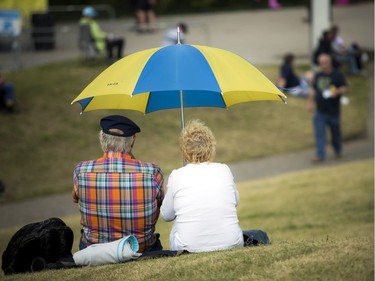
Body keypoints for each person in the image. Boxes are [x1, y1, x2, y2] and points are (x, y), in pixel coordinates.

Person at [72, 115, 164, 253]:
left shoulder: (81, 171)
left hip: (94, 248)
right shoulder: (152, 172)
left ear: (102, 139)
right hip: (140, 248)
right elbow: (160, 204)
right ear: (132, 141)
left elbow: (76, 199)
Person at [160, 119, 244, 252]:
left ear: (184, 150)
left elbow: (166, 215)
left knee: (178, 221)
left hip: (188, 248)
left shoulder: (177, 175)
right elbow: (235, 201)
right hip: (233, 242)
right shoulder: (224, 169)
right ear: (211, 146)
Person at [307, 54, 348, 163]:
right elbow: (313, 90)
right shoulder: (318, 75)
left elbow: (344, 87)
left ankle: (338, 150)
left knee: (335, 133)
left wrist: (337, 92)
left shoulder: (337, 74)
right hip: (320, 110)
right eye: (320, 63)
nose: (322, 65)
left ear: (329, 62)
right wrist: (310, 102)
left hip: (333, 110)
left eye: (324, 62)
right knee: (320, 133)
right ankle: (320, 155)